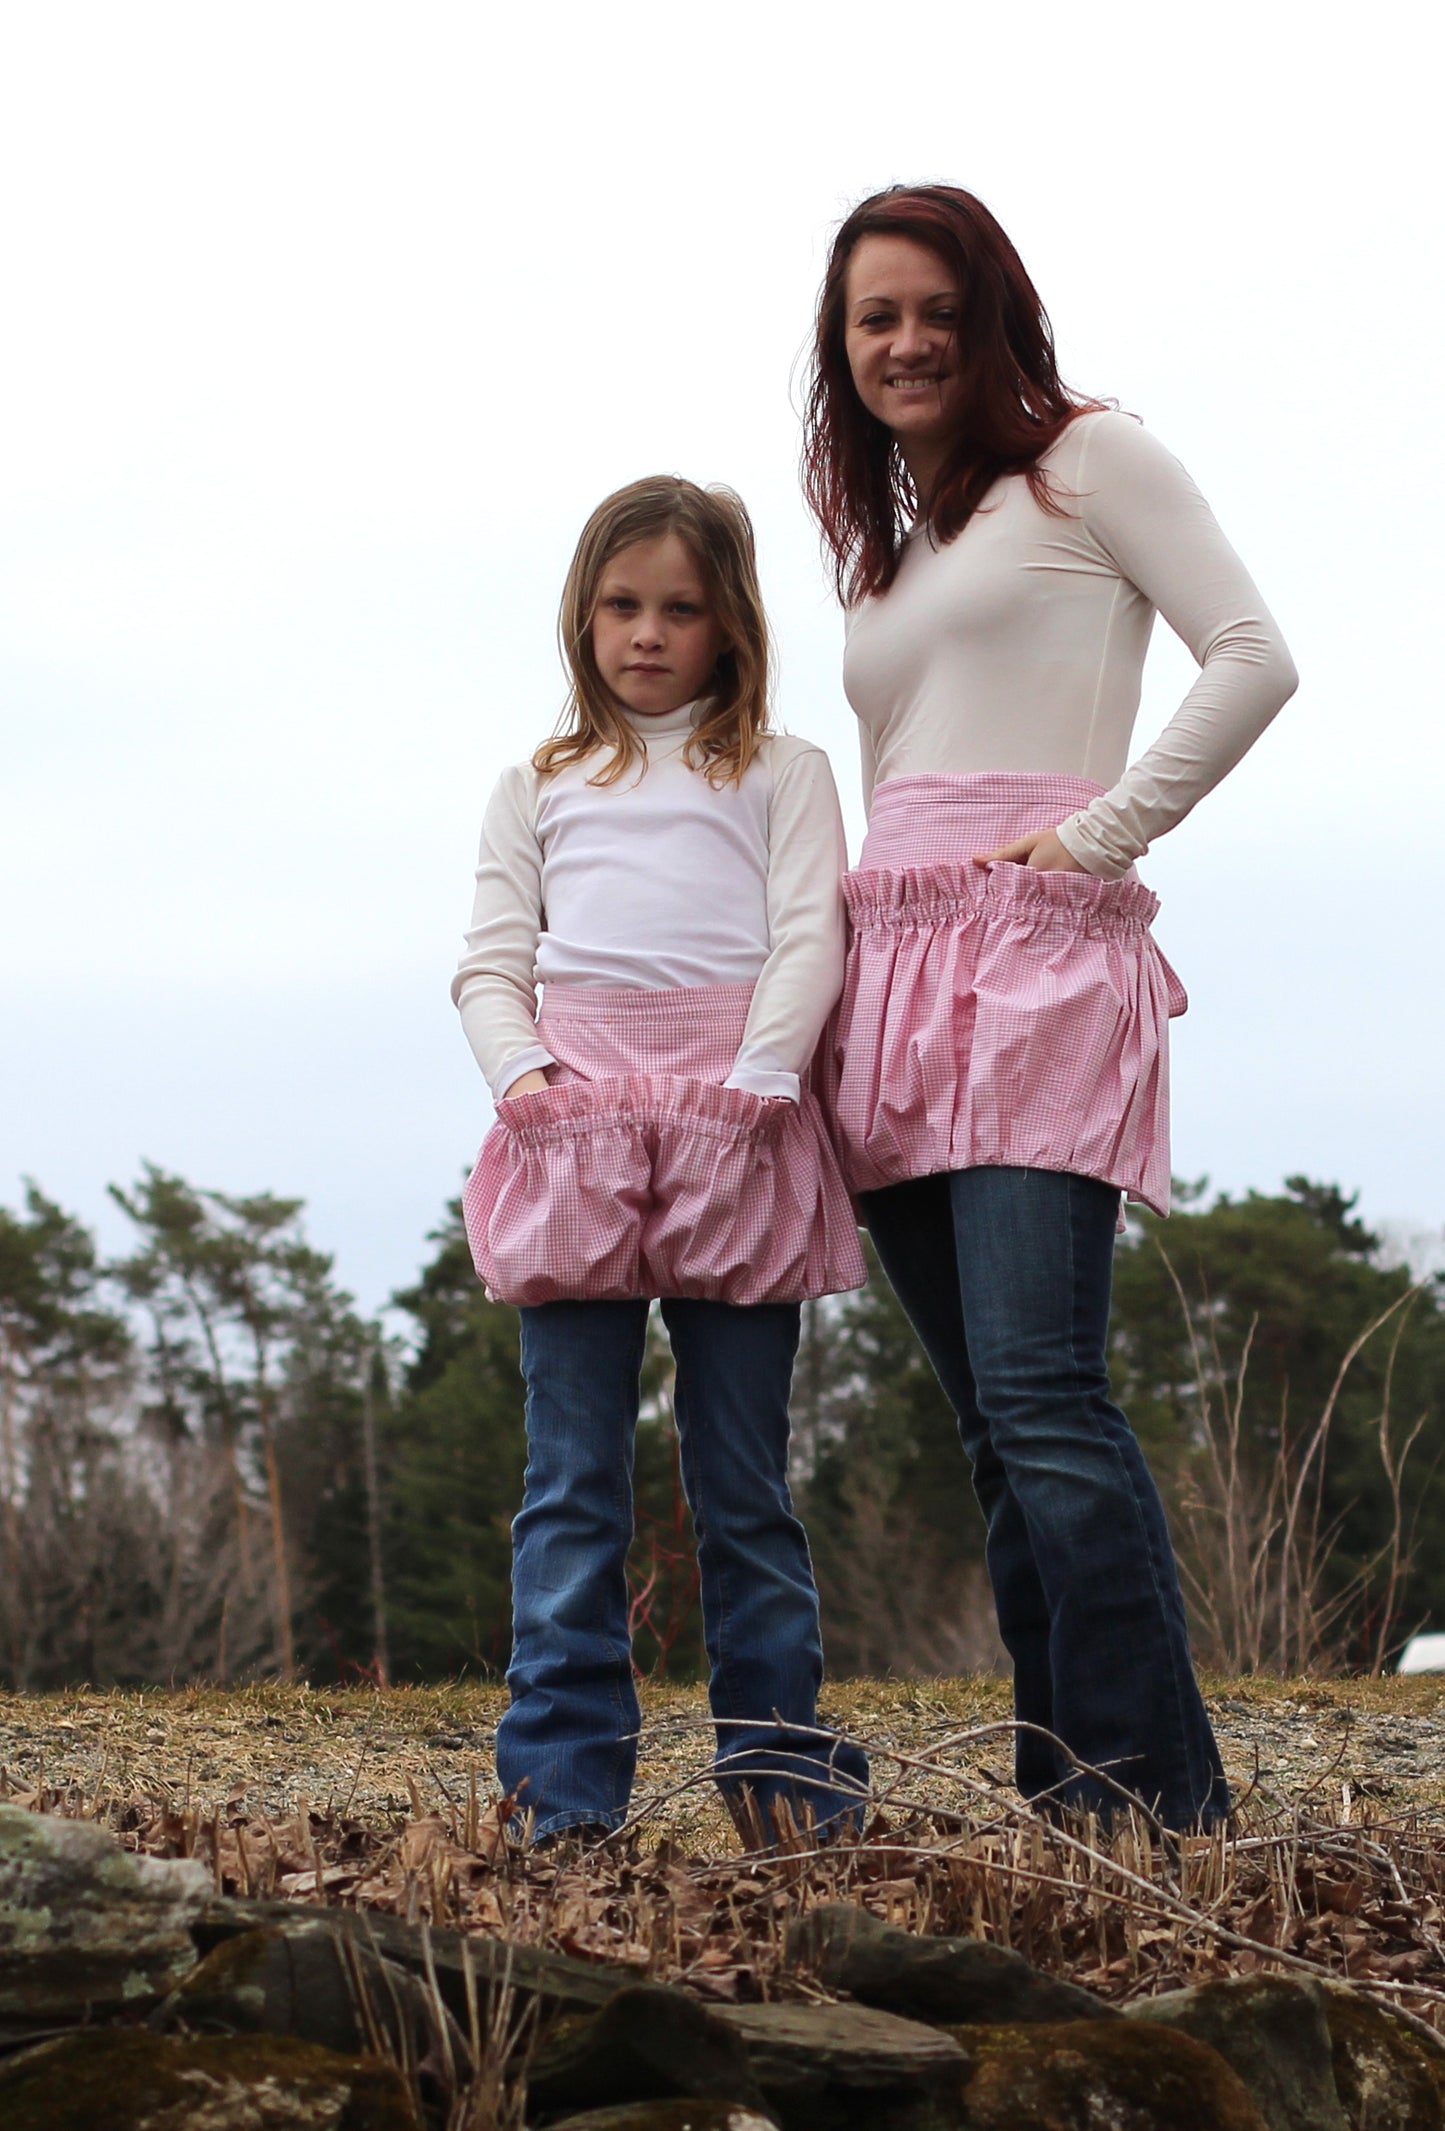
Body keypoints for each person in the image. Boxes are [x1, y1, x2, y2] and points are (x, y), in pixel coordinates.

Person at [802, 185, 1298, 1829]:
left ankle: (1159, 1803)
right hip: (889, 971)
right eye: (874, 318)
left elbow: (1251, 655)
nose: (906, 341)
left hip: (1031, 953)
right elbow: (892, 772)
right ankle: (1070, 1795)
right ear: (841, 347)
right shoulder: (888, 547)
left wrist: (1097, 836)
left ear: (994, 314)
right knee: (988, 1431)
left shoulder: (1092, 459)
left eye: (935, 309)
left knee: (1042, 1396)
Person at [452, 475, 869, 1845]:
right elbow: (490, 964)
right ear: (584, 617)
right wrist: (527, 1083)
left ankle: (782, 1778)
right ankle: (563, 1792)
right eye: (622, 606)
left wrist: (759, 1081)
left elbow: (808, 937)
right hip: (573, 1139)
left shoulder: (783, 773)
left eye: (680, 609)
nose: (647, 634)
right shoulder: (538, 783)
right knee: (571, 1483)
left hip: (737, 1136)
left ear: (729, 621)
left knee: (743, 1483)